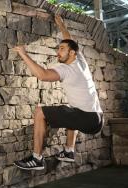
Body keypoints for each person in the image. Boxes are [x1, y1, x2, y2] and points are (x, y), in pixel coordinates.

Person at [13, 15, 104, 170]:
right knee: (70, 110)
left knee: (40, 112)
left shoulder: (66, 69)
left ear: (72, 53)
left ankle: (36, 159)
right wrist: (61, 25)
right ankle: (69, 151)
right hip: (97, 119)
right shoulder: (80, 60)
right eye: (58, 49)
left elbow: (42, 75)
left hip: (87, 119)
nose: (58, 53)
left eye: (61, 49)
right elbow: (70, 41)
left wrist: (23, 53)